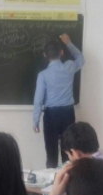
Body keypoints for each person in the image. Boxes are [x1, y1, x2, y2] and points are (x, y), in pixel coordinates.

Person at [33, 34, 85, 168]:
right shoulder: (69, 66)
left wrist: (35, 121)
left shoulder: (43, 75)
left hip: (51, 116)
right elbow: (81, 58)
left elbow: (38, 100)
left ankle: (52, 179)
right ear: (61, 52)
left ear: (45, 55)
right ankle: (68, 179)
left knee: (51, 153)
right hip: (68, 113)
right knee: (68, 152)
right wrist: (68, 43)